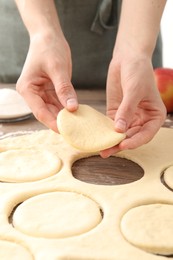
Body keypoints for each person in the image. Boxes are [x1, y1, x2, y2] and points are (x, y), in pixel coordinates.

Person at [13, 0, 166, 157]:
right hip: (32, 15)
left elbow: (136, 51)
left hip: (139, 18)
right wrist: (43, 35)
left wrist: (135, 51)